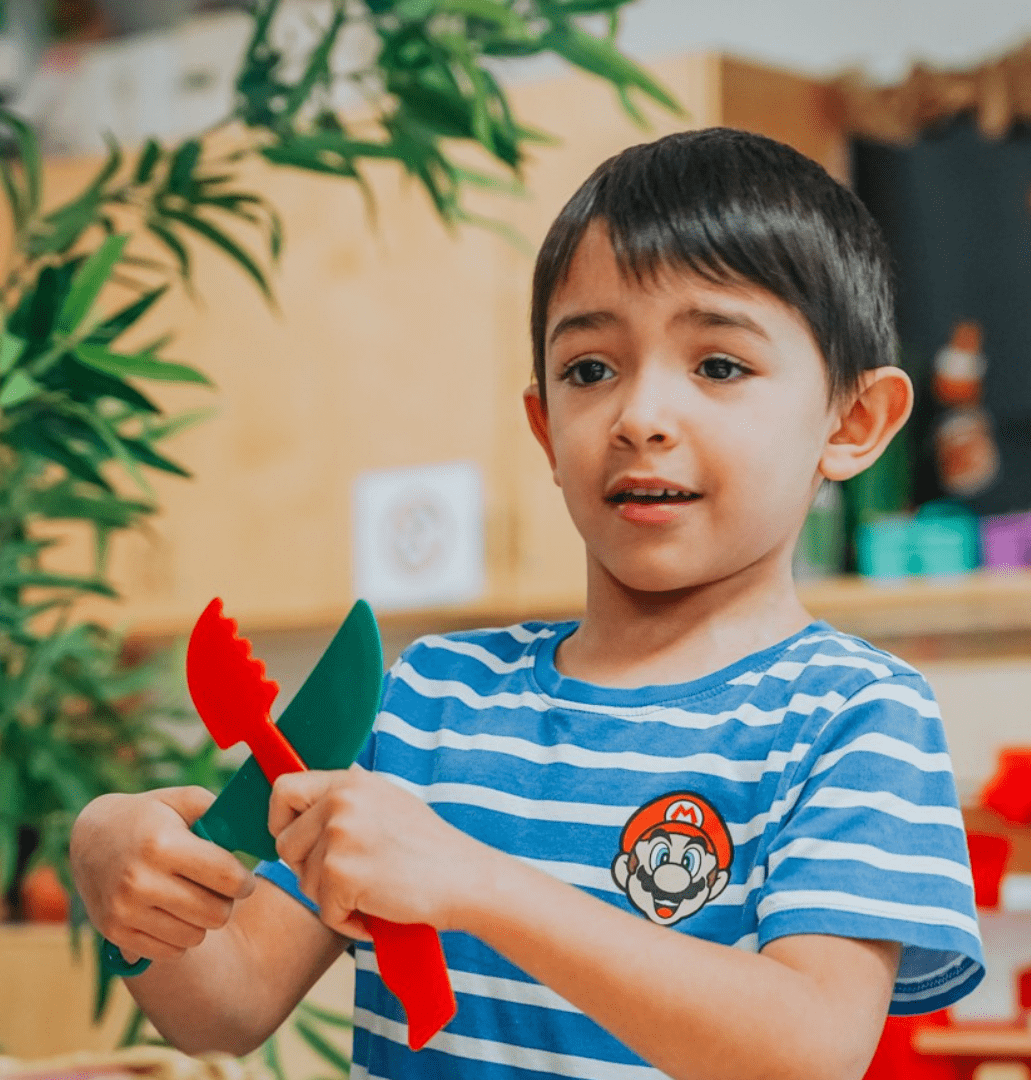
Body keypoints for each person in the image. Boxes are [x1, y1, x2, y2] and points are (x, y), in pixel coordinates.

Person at [71, 128, 985, 1080]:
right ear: (545, 427)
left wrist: (476, 884)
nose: (639, 416)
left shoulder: (856, 716)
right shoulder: (427, 698)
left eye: (718, 365)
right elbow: (230, 1005)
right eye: (592, 370)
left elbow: (807, 1048)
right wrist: (122, 887)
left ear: (853, 421)